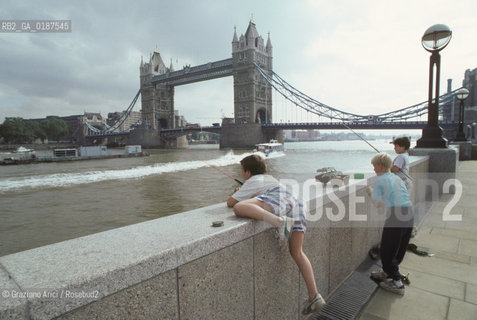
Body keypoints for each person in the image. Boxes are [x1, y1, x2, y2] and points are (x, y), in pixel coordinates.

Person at [227, 154, 326, 315]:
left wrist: (239, 192)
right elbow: (264, 199)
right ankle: (314, 295)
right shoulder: (271, 178)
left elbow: (231, 202)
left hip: (279, 202)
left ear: (247, 172)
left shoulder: (252, 180)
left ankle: (278, 222)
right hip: (297, 203)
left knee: (240, 207)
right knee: (297, 252)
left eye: (242, 171)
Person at [366, 152, 414, 295]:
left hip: (397, 217)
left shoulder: (380, 180)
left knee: (387, 249)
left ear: (380, 166)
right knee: (398, 248)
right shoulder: (396, 177)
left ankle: (398, 284)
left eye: (374, 166)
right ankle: (387, 272)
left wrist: (370, 192)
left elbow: (378, 204)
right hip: (409, 213)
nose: (373, 169)